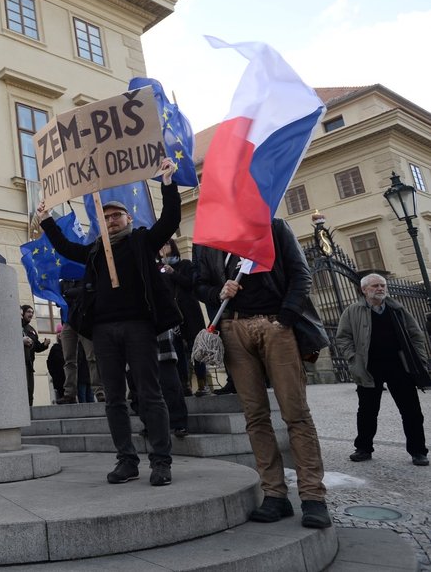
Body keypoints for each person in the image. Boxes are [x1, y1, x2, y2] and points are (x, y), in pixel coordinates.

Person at [37, 157, 180, 487]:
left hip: (139, 327)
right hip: (103, 332)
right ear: (100, 223)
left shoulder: (142, 241)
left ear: (128, 218)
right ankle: (126, 460)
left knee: (149, 393)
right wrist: (46, 220)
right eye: (107, 216)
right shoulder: (94, 251)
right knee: (113, 398)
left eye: (117, 215)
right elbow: (64, 247)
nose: (112, 220)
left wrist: (168, 182)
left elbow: (170, 219)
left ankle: (161, 461)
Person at [195, 217, 332, 528]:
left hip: (275, 325)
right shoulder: (208, 237)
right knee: (255, 416)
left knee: (295, 413)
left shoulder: (272, 226)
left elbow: (300, 274)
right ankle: (274, 494)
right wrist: (219, 290)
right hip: (234, 329)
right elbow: (199, 284)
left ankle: (313, 496)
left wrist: (285, 318)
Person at [336, 273, 430, 466]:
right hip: (369, 367)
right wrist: (353, 358)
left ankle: (418, 451)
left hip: (399, 366)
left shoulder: (397, 309)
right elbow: (343, 337)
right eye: (375, 286)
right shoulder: (352, 311)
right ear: (364, 290)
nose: (380, 289)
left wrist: (419, 359)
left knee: (411, 411)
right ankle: (363, 448)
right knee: (367, 411)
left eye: (382, 285)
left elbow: (416, 335)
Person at [159, 239, 210, 395]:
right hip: (174, 317)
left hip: (190, 314)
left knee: (197, 349)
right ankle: (184, 384)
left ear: (173, 247)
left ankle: (203, 384)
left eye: (166, 244)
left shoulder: (185, 265)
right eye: (161, 246)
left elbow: (190, 283)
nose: (163, 248)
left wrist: (173, 273)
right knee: (178, 351)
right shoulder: (159, 269)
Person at [21, 305, 50, 406]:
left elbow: (37, 347)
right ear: (22, 313)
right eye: (28, 312)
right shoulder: (16, 326)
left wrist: (44, 345)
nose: (31, 314)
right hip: (18, 364)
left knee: (29, 390)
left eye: (32, 313)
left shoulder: (31, 330)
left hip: (29, 364)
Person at [46, 324, 66, 403]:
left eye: (61, 332)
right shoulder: (55, 348)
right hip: (59, 380)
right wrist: (54, 376)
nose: (60, 334)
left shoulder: (71, 348)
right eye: (58, 332)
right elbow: (49, 363)